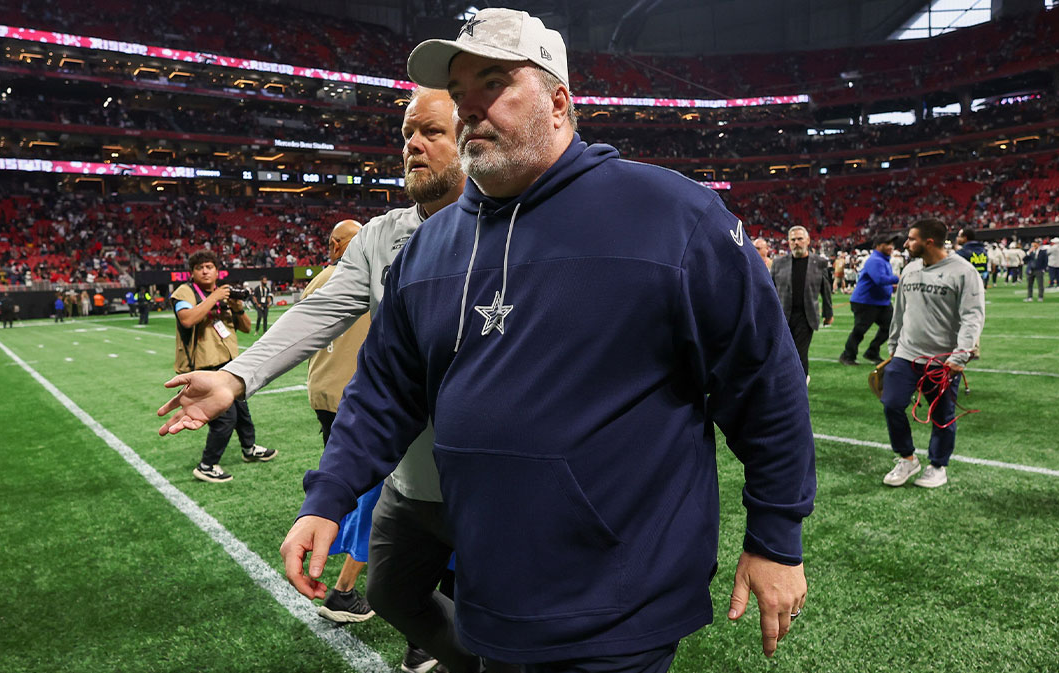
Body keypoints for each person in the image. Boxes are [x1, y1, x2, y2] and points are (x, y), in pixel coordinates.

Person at [279, 8, 814, 668]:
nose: (471, 108)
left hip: (620, 604)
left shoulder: (672, 217)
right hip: (489, 589)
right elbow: (385, 388)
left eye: (494, 84)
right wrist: (328, 495)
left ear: (560, 100)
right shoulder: (429, 249)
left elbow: (765, 382)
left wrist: (776, 537)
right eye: (460, 93)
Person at [157, 88, 473, 672]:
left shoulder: (510, 226)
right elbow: (320, 312)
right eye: (406, 134)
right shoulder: (383, 235)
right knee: (389, 593)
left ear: (472, 138)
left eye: (431, 132)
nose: (412, 145)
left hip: (487, 476)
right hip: (410, 470)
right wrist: (235, 377)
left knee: (498, 610)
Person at [299, 219, 379, 625]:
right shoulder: (367, 273)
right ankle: (344, 588)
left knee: (349, 484)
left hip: (326, 394)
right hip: (360, 400)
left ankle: (330, 527)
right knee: (376, 496)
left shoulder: (322, 279)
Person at [881, 218, 985, 489]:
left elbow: (972, 316)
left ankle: (938, 466)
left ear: (929, 242)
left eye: (911, 238)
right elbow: (899, 312)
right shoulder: (911, 270)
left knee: (942, 415)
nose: (906, 243)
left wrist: (960, 356)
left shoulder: (963, 272)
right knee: (892, 403)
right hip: (906, 354)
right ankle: (906, 458)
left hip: (942, 359)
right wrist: (893, 348)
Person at [170, 251, 275, 483]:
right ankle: (207, 464)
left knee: (242, 410)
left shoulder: (225, 294)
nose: (205, 271)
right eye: (200, 268)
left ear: (218, 271)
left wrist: (236, 305)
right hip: (204, 367)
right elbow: (187, 319)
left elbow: (246, 328)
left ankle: (249, 448)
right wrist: (215, 297)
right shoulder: (185, 292)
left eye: (209, 266)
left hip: (231, 363)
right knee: (224, 418)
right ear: (192, 272)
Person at [770, 226, 833, 383]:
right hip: (783, 316)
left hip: (806, 316)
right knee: (782, 351)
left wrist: (828, 313)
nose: (796, 243)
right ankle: (786, 381)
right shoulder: (778, 263)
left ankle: (800, 382)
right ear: (788, 243)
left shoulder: (819, 263)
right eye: (793, 240)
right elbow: (770, 290)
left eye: (800, 239)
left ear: (808, 240)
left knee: (799, 352)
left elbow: (826, 291)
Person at [839, 236, 900, 366]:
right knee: (860, 330)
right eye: (887, 243)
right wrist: (898, 278)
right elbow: (879, 279)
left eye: (892, 244)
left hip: (880, 302)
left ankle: (872, 351)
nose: (891, 247)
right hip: (866, 301)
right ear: (878, 245)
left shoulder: (883, 260)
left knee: (890, 327)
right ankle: (847, 355)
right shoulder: (875, 260)